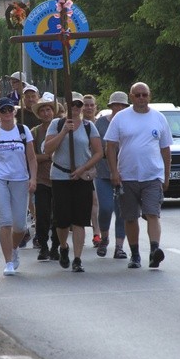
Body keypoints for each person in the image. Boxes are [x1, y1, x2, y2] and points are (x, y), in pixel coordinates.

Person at [105, 82, 173, 269]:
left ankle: (154, 251)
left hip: (152, 175)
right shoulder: (121, 118)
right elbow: (110, 146)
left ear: (149, 96)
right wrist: (114, 172)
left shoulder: (158, 118)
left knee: (153, 213)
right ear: (131, 97)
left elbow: (166, 150)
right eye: (137, 95)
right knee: (130, 217)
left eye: (144, 95)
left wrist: (166, 177)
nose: (141, 98)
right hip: (127, 176)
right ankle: (135, 254)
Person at [43, 96, 104, 272]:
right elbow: (47, 149)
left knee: (79, 219)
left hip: (81, 177)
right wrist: (63, 133)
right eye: (72, 105)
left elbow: (98, 152)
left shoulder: (88, 126)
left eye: (79, 105)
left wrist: (84, 169)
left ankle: (77, 259)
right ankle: (63, 247)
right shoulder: (57, 124)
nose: (76, 108)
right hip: (61, 176)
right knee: (61, 220)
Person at [0, 98, 37, 276]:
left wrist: (33, 178)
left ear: (14, 111)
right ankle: (8, 262)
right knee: (6, 221)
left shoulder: (23, 131)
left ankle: (13, 247)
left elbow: (32, 158)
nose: (6, 113)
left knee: (20, 226)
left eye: (9, 109)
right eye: (3, 110)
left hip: (20, 179)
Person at [94, 91, 129, 259]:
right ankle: (104, 238)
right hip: (102, 172)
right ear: (111, 106)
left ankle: (119, 246)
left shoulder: (130, 122)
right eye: (116, 104)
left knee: (122, 211)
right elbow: (93, 146)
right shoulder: (100, 123)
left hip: (125, 173)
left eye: (122, 105)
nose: (119, 108)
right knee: (106, 208)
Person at [31, 93, 60, 261]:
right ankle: (43, 245)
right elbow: (33, 155)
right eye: (42, 110)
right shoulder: (35, 132)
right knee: (42, 214)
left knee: (58, 214)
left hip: (58, 177)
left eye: (48, 109)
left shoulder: (61, 128)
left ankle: (57, 245)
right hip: (42, 178)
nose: (46, 113)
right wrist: (48, 156)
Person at [81, 94, 102, 247]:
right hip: (84, 168)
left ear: (96, 107)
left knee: (97, 201)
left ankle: (97, 233)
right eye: (85, 105)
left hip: (101, 168)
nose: (88, 108)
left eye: (91, 105)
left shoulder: (100, 124)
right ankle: (90, 231)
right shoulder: (79, 125)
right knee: (90, 200)